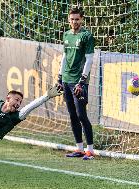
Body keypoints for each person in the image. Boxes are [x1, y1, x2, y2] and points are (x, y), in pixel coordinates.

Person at [58, 7, 95, 160]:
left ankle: (90, 151)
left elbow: (89, 59)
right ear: (69, 19)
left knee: (81, 115)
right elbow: (65, 57)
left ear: (82, 19)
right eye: (72, 19)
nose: (74, 22)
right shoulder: (66, 35)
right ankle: (79, 149)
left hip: (79, 82)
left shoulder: (87, 36)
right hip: (66, 80)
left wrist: (82, 81)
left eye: (77, 19)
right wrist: (60, 78)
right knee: (73, 115)